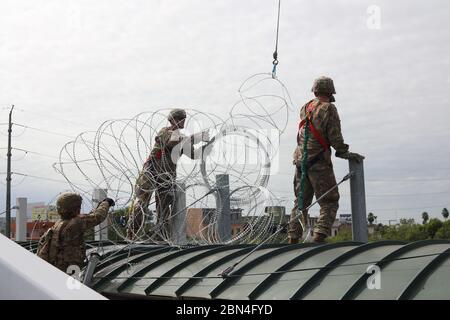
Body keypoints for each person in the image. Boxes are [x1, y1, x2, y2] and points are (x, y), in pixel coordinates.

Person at [289, 76, 364, 244]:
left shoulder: (305, 107)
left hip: (301, 161)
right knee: (329, 201)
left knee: (301, 202)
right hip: (318, 162)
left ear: (315, 90)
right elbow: (334, 134)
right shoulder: (328, 109)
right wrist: (343, 151)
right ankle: (319, 238)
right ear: (330, 92)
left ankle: (292, 239)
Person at [127, 108, 209, 240]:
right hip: (152, 171)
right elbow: (171, 143)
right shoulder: (165, 132)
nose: (182, 121)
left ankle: (160, 236)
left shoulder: (182, 138)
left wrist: (207, 146)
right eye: (179, 118)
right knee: (141, 204)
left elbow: (195, 154)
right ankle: (132, 234)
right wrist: (195, 138)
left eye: (183, 119)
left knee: (164, 209)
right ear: (172, 120)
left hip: (167, 176)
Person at [37, 192, 115, 272]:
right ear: (75, 208)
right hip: (70, 268)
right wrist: (106, 203)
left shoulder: (59, 224)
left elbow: (86, 218)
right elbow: (98, 216)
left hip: (57, 266)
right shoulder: (77, 222)